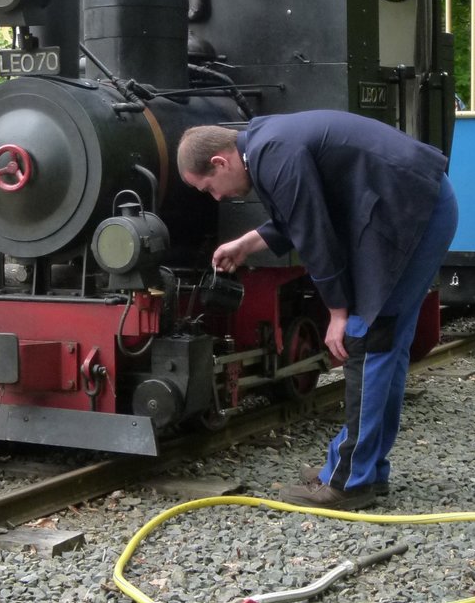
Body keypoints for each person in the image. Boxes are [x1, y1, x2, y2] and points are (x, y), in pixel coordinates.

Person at [177, 109, 458, 509]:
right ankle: (368, 467)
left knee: (367, 339)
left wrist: (338, 313)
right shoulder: (265, 144)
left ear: (220, 162)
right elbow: (302, 210)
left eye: (209, 187)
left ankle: (350, 481)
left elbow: (315, 234)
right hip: (414, 204)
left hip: (413, 212)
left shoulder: (272, 151)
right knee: (385, 344)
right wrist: (247, 243)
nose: (216, 197)